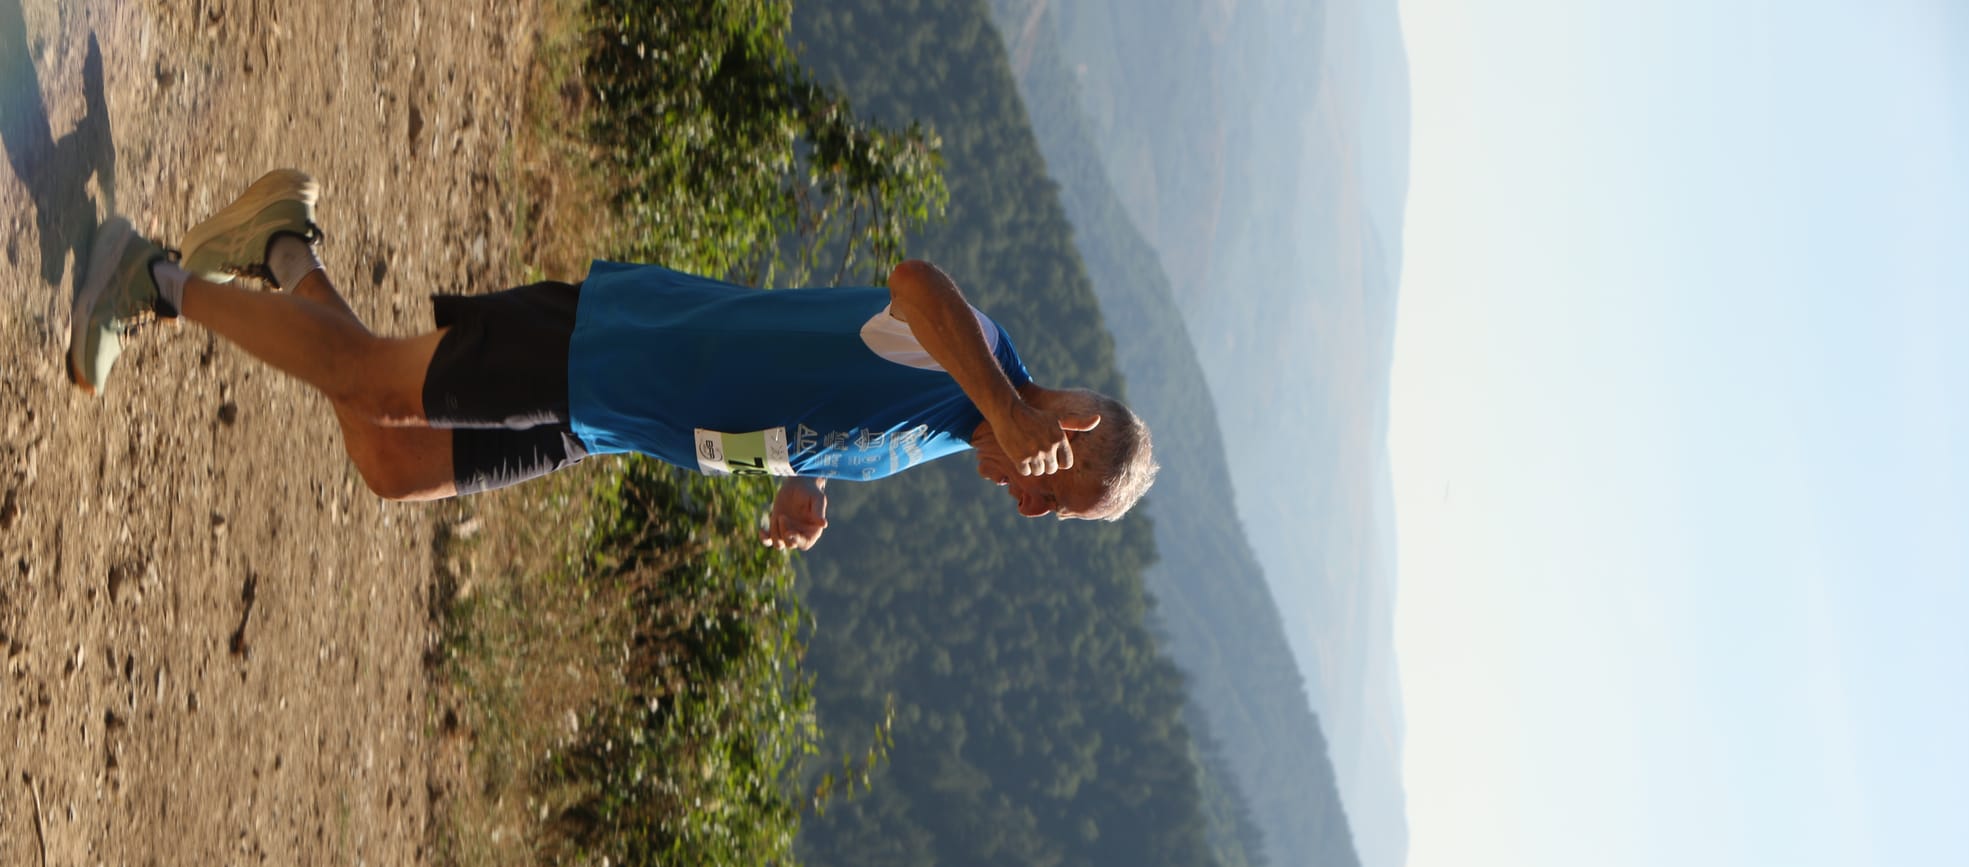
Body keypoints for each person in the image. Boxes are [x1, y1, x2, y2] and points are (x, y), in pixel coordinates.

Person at [66, 171, 1156, 549]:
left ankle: (281, 243)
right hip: (604, 350)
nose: (1029, 508)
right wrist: (1007, 404)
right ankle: (154, 281)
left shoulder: (947, 427)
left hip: (605, 419)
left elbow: (811, 387)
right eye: (1057, 496)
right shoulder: (981, 362)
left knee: (387, 463)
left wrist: (799, 486)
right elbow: (915, 284)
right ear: (1066, 425)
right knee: (364, 383)